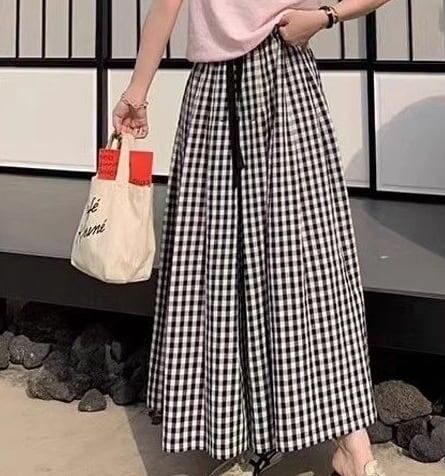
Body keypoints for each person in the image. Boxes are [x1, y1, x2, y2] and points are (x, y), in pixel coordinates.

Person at [112, 0, 392, 475]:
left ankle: (352, 446)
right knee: (227, 261)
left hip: (281, 80)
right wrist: (137, 91)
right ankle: (235, 431)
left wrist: (326, 15)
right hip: (219, 92)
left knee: (304, 258)